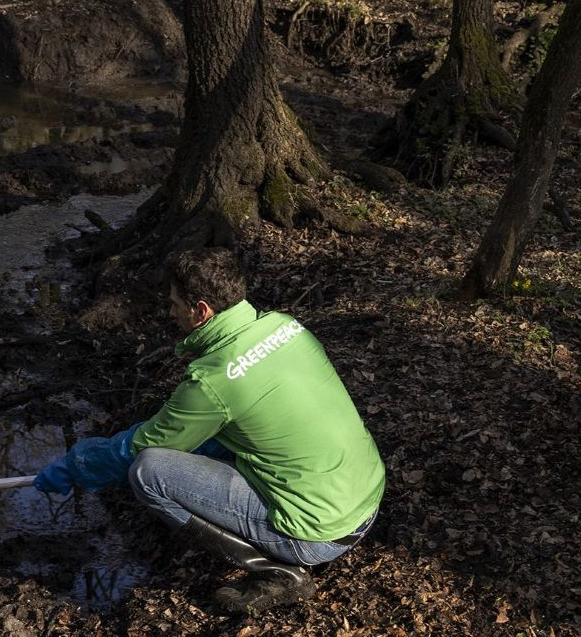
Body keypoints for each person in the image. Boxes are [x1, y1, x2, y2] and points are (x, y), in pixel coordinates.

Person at [33, 248, 385, 613]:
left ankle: (279, 573)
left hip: (318, 534)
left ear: (201, 311)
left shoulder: (213, 381)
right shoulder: (285, 326)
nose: (170, 312)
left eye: (174, 304)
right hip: (366, 498)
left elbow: (139, 447)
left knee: (148, 472)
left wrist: (77, 465)